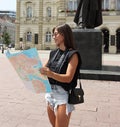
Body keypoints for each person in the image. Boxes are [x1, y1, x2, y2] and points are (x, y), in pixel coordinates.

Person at [40, 24, 81, 127]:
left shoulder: (73, 54)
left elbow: (68, 78)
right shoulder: (53, 53)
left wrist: (51, 74)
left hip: (63, 96)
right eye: (53, 34)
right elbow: (42, 71)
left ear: (64, 35)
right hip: (50, 94)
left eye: (55, 34)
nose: (53, 37)